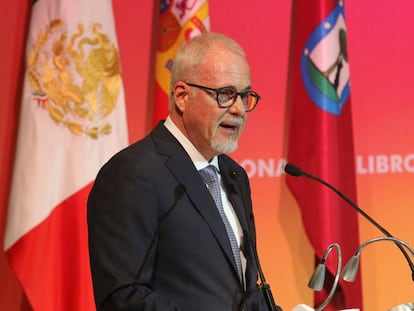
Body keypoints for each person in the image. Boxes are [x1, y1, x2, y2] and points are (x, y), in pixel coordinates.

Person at [87, 32, 282, 311]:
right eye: (226, 95)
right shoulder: (132, 174)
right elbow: (122, 298)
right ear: (182, 96)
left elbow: (243, 295)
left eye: (245, 95)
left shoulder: (233, 175)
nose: (239, 109)